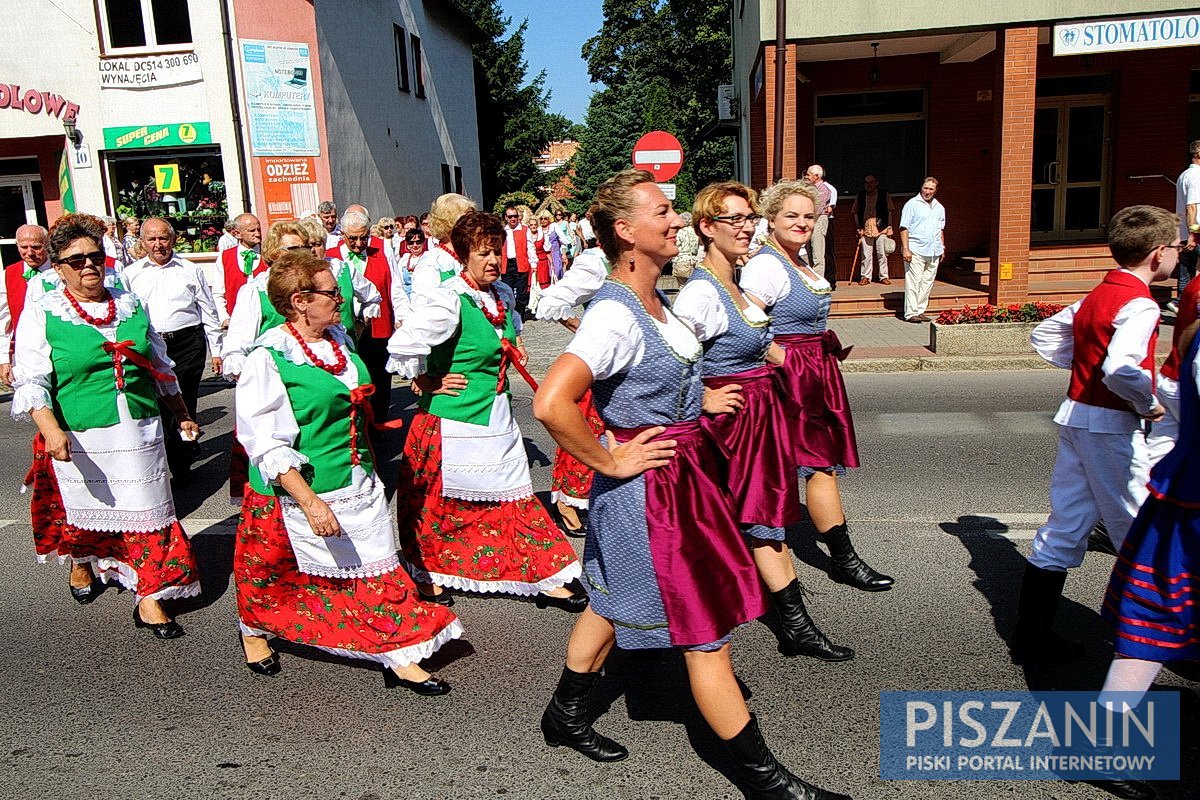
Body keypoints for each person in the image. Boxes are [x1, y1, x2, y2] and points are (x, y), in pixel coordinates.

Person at [532, 170, 852, 800]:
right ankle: (766, 779)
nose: (675, 222)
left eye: (675, 212)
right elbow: (551, 402)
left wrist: (696, 396)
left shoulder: (657, 302)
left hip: (682, 479)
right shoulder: (614, 315)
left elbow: (657, 374)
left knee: (611, 596)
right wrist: (609, 461)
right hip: (650, 492)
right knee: (704, 634)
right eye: (663, 213)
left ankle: (564, 714)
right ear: (626, 231)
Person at [233, 249, 462, 690]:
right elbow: (265, 441)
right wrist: (311, 502)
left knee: (375, 565)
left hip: (356, 474)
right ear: (300, 301)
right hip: (299, 487)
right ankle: (254, 630)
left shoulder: (338, 337)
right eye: (331, 292)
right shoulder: (268, 357)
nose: (340, 299)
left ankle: (394, 650)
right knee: (273, 572)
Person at [675, 181, 853, 663]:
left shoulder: (731, 281)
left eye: (747, 217)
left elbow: (760, 340)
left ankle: (788, 623)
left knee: (753, 520)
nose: (745, 226)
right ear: (706, 229)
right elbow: (671, 361)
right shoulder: (700, 293)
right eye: (733, 219)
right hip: (731, 425)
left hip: (757, 414)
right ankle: (789, 626)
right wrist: (704, 396)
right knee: (751, 521)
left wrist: (798, 370)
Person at [11, 213, 200, 636]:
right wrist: (50, 428)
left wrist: (183, 414)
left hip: (139, 430)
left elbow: (161, 367)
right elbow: (33, 378)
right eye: (75, 261)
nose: (89, 266)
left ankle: (149, 596)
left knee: (150, 514)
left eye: (95, 256)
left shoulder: (130, 303)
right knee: (85, 513)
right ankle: (82, 564)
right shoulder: (43, 311)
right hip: (79, 431)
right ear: (58, 268)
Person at [387, 211, 584, 609]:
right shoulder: (448, 299)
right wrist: (425, 379)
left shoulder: (501, 296)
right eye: (483, 253)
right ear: (463, 256)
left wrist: (513, 349)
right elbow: (404, 343)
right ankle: (427, 571)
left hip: (496, 415)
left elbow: (503, 334)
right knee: (438, 506)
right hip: (451, 420)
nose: (494, 260)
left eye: (498, 252)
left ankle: (543, 571)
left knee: (514, 496)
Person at [1014, 205, 1180, 665]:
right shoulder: (1142, 302)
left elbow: (1046, 336)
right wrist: (1147, 402)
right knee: (1141, 529)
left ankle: (1031, 634)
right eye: (1177, 248)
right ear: (1158, 253)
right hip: (1110, 426)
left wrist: (1087, 369)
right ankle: (1157, 640)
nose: (1179, 256)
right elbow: (1124, 367)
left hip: (1078, 417)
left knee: (1066, 524)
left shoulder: (1101, 291)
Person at [741, 180, 894, 594]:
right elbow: (744, 325)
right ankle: (836, 562)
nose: (802, 222)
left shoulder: (797, 260)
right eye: (791, 215)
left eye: (808, 216)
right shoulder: (767, 265)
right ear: (771, 219)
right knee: (801, 467)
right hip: (790, 378)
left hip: (813, 372)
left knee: (818, 465)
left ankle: (842, 559)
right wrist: (787, 361)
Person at [1092, 316, 1200, 800]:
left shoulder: (1194, 334)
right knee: (1155, 620)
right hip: (1191, 504)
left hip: (1185, 492)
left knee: (1157, 618)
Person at [123, 217, 223, 479]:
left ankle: (181, 466)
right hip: (151, 347)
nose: (158, 244)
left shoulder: (190, 270)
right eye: (152, 239)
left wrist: (217, 350)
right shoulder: (131, 274)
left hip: (188, 343)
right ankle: (173, 451)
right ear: (142, 243)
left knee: (184, 401)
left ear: (173, 239)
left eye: (163, 238)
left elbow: (208, 310)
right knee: (159, 405)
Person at [534, 234, 611, 537]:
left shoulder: (636, 261)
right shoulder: (596, 262)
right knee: (584, 429)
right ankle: (568, 503)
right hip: (597, 365)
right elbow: (549, 302)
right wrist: (581, 328)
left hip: (623, 368)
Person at [327, 210, 397, 421]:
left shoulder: (382, 250)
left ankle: (379, 421)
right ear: (343, 235)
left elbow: (396, 287)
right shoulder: (331, 257)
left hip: (378, 324)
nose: (359, 243)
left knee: (380, 375)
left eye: (363, 237)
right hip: (345, 329)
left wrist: (401, 318)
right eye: (353, 238)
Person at [1, 224, 51, 385]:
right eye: (24, 247)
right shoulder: (8, 274)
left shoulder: (61, 270)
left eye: (36, 247)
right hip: (26, 356)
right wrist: (4, 359)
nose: (29, 253)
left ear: (47, 244)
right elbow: (3, 320)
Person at [899, 177, 945, 323]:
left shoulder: (939, 207)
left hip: (934, 251)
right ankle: (911, 313)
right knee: (914, 281)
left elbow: (940, 230)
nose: (928, 191)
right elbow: (904, 227)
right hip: (916, 249)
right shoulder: (912, 204)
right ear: (921, 188)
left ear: (935, 190)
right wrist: (906, 249)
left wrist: (942, 247)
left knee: (927, 282)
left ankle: (920, 310)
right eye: (926, 188)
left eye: (931, 189)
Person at [411, 194, 476, 294]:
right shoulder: (432, 262)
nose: (473, 224)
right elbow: (426, 304)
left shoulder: (474, 255)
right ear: (447, 223)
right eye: (465, 219)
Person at [215, 213, 264, 321]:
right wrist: (224, 317)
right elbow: (218, 292)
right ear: (237, 234)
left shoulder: (268, 255)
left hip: (266, 320)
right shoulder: (225, 257)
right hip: (237, 319)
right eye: (252, 231)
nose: (257, 234)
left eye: (259, 230)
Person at [1170, 140, 1200, 314]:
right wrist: (1193, 234)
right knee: (1188, 270)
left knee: (1186, 271)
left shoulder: (1184, 175)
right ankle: (1182, 303)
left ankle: (1181, 303)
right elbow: (1191, 207)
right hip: (1195, 233)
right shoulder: (1196, 176)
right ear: (1198, 155)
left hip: (1186, 232)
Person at [851, 175, 895, 285]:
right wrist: (858, 227)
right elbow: (855, 212)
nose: (869, 185)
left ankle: (883, 276)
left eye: (871, 182)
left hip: (881, 229)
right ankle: (866, 277)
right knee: (866, 255)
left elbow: (890, 211)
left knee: (882, 254)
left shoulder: (884, 194)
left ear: (876, 183)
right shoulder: (860, 196)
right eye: (866, 182)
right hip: (865, 229)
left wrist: (889, 226)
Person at [500, 204, 537, 318]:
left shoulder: (525, 230)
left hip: (521, 263)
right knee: (507, 292)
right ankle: (510, 314)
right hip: (507, 265)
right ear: (506, 218)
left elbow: (530, 247)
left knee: (522, 293)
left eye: (515, 216)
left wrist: (533, 262)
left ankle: (520, 313)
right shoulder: (502, 231)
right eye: (510, 216)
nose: (513, 219)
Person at [804, 165, 833, 280]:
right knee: (809, 252)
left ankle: (818, 281)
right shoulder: (810, 189)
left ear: (816, 176)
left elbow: (817, 208)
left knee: (817, 252)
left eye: (808, 174)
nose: (806, 177)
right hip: (811, 220)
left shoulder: (823, 189)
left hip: (819, 220)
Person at [670, 211, 702, 285]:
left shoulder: (680, 232)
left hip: (681, 260)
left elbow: (676, 245)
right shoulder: (695, 232)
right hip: (694, 261)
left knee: (682, 285)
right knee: (692, 284)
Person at [533, 212, 554, 289]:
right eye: (541, 219)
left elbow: (547, 251)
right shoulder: (528, 234)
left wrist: (552, 264)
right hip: (533, 263)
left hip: (543, 262)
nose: (533, 226)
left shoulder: (542, 234)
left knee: (544, 283)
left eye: (535, 225)